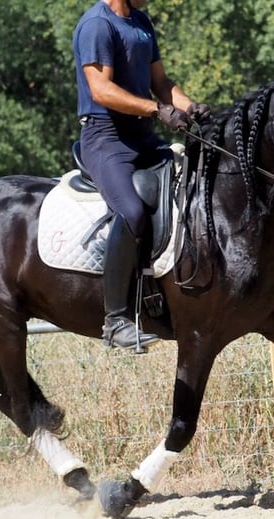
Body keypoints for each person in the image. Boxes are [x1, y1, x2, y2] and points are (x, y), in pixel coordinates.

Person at [73, 0, 210, 350]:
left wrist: (190, 107)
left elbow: (161, 82)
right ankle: (115, 319)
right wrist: (157, 109)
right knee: (132, 211)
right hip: (105, 138)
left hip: (140, 135)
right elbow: (100, 90)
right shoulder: (97, 26)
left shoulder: (141, 21)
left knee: (193, 180)